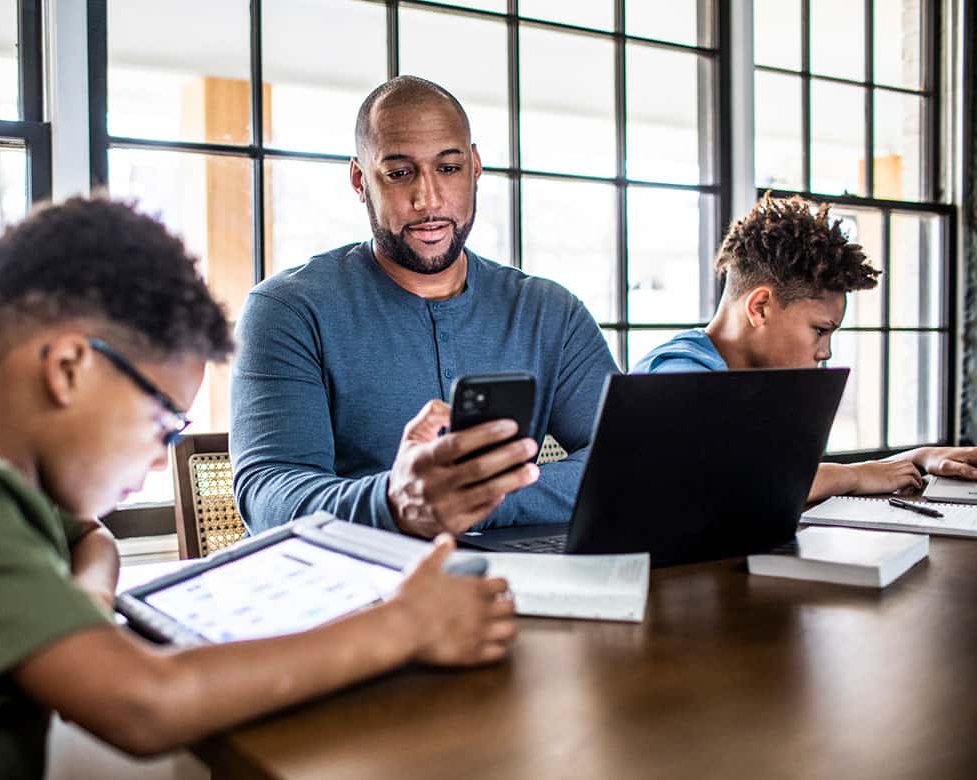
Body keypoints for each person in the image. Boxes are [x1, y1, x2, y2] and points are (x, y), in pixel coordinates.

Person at [0, 197, 517, 780]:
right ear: (69, 368)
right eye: (164, 420)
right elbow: (144, 706)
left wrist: (82, 605)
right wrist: (403, 627)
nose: (164, 457)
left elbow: (89, 536)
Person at [231, 76, 618, 538]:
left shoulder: (549, 311)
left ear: (475, 166)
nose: (428, 200)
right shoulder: (287, 312)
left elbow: (625, 458)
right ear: (360, 180)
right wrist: (397, 502)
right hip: (362, 589)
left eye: (449, 168)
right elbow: (268, 495)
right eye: (399, 173)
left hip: (516, 585)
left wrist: (473, 499)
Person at [632, 193, 977, 500]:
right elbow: (737, 486)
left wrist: (914, 459)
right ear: (760, 307)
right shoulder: (678, 376)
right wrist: (854, 474)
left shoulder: (752, 381)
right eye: (819, 330)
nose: (825, 351)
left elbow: (789, 478)